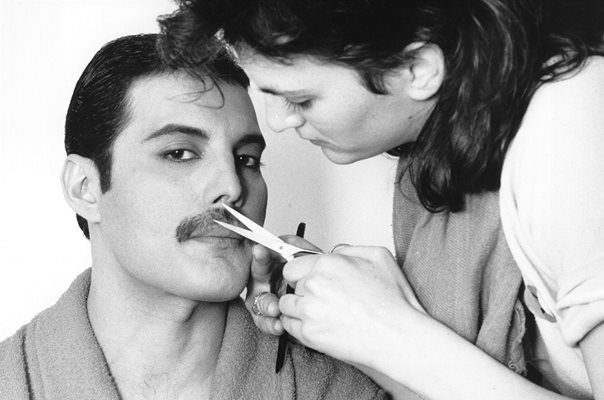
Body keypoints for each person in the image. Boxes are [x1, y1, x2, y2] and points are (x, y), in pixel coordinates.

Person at [158, 1, 604, 399]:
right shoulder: (437, 152)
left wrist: (388, 331)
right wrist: (346, 325)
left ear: (418, 69)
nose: (278, 123)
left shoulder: (571, 138)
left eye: (301, 98)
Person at [0, 33, 386, 400]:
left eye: (246, 159)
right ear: (85, 187)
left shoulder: (344, 387)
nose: (232, 187)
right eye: (179, 153)